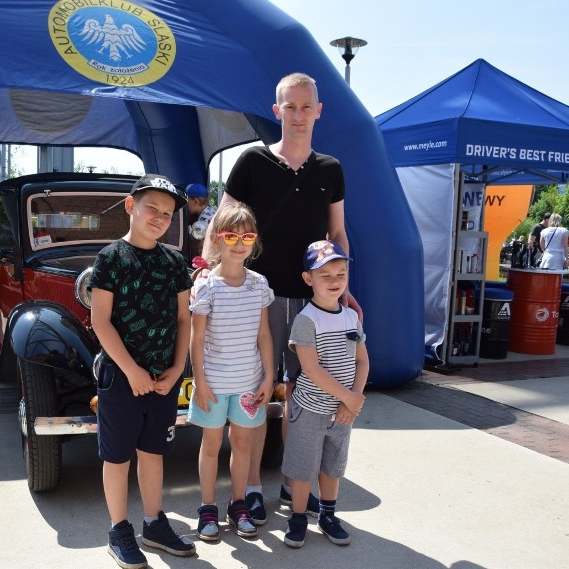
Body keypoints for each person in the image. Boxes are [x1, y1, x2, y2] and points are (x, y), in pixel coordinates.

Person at [200, 72, 362, 525]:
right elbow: (221, 224)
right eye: (289, 107)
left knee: (304, 396)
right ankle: (250, 487)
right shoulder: (251, 161)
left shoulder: (331, 169)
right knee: (255, 391)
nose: (297, 114)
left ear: (318, 111)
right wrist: (209, 275)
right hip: (254, 296)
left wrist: (344, 290)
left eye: (305, 106)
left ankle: (297, 487)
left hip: (311, 302)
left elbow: (337, 233)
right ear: (277, 111)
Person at [89, 174, 196, 568]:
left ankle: (154, 522)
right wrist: (132, 370)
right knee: (117, 457)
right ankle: (119, 529)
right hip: (121, 379)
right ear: (130, 206)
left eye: (168, 214)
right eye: (153, 208)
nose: (160, 217)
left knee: (153, 453)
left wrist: (178, 366)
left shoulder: (174, 262)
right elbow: (101, 321)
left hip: (164, 379)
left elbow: (184, 318)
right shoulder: (111, 259)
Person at [188, 202, 275, 541]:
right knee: (211, 446)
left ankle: (238, 504)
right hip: (213, 385)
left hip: (249, 386)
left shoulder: (259, 285)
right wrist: (200, 383)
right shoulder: (207, 286)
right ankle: (207, 508)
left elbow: (264, 334)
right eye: (231, 236)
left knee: (242, 444)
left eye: (247, 236)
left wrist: (268, 376)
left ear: (255, 242)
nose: (239, 243)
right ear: (218, 241)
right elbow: (197, 341)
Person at [282, 240, 368, 548]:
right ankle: (298, 516)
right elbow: (312, 369)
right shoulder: (307, 320)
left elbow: (362, 360)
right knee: (304, 467)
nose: (334, 281)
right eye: (325, 275)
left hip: (343, 411)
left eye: (340, 274)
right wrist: (349, 397)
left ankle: (329, 515)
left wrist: (354, 398)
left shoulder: (351, 318)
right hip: (311, 408)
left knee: (333, 466)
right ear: (309, 279)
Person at [186, 183, 217, 261]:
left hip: (211, 258)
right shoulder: (212, 211)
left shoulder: (203, 219)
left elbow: (202, 244)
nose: (186, 204)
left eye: (187, 201)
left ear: (195, 201)